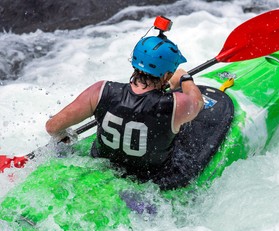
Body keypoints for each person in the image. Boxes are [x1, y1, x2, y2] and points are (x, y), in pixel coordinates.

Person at [45, 35, 204, 189]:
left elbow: (52, 127)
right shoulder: (177, 104)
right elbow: (198, 103)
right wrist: (185, 78)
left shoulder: (101, 90)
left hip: (100, 169)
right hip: (149, 182)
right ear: (167, 75)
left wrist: (65, 136)